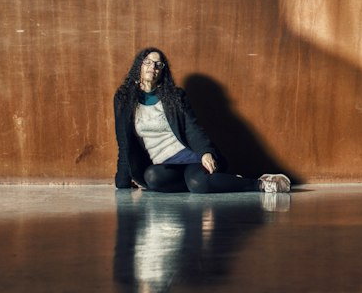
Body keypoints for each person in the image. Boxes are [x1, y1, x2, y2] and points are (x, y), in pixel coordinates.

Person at [113, 46, 291, 194]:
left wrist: (205, 152)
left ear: (162, 71)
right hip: (164, 164)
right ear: (139, 66)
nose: (153, 67)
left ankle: (260, 184)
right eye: (148, 62)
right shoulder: (124, 99)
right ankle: (215, 182)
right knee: (152, 178)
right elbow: (124, 142)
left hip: (190, 157)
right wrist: (122, 182)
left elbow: (192, 128)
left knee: (198, 184)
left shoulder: (174, 96)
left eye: (158, 64)